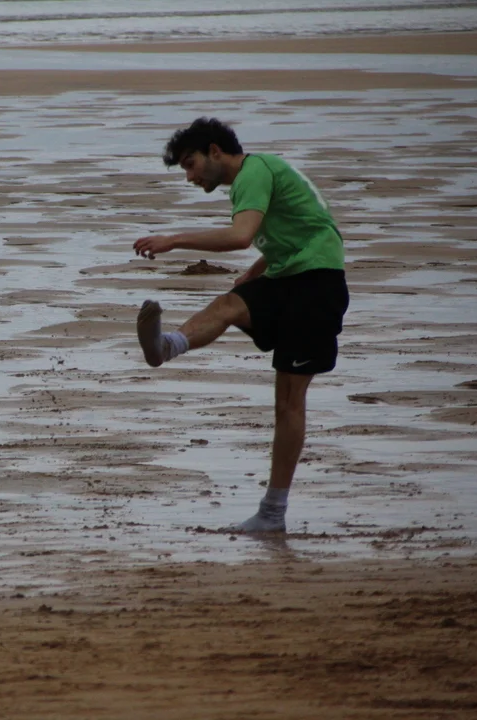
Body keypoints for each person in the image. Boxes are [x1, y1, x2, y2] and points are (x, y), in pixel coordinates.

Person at [132, 117, 348, 534]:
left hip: (316, 287)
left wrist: (173, 240)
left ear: (215, 151)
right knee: (229, 305)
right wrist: (255, 271)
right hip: (288, 275)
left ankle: (272, 513)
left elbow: (240, 236)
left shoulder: (254, 172)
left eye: (191, 164)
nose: (189, 177)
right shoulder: (259, 174)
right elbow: (302, 226)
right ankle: (165, 346)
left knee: (288, 402)